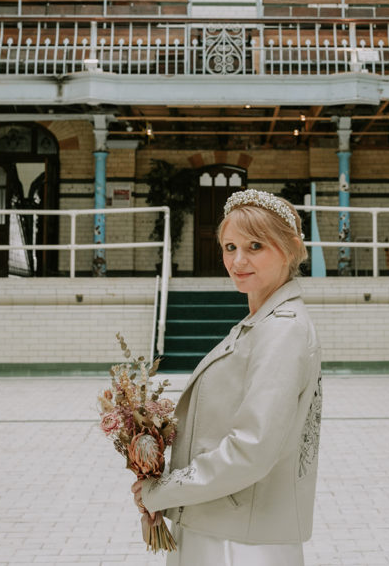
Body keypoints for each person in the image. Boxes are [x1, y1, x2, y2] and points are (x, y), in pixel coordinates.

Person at [132, 189, 322, 565]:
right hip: (223, 523)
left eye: (255, 246)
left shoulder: (282, 331)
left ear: (290, 248)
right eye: (229, 246)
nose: (238, 260)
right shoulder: (259, 323)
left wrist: (163, 491)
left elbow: (251, 450)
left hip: (238, 542)